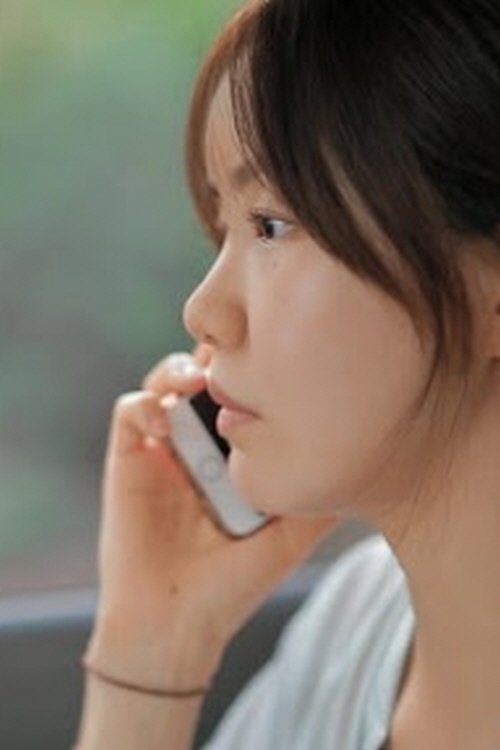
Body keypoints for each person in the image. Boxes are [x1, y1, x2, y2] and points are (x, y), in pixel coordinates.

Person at [74, 0, 500, 748]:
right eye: (222, 229)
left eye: (271, 224)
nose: (204, 311)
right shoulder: (348, 633)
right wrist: (153, 655)